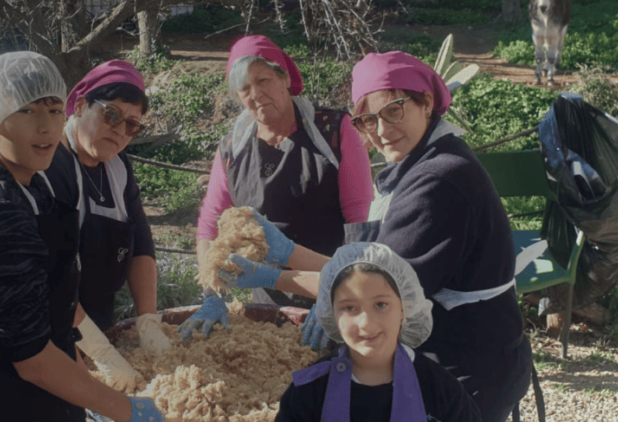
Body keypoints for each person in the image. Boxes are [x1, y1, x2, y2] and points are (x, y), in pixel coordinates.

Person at [220, 51, 532, 422]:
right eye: (368, 120)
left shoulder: (438, 180)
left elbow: (369, 290)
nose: (381, 131)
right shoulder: (418, 163)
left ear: (426, 103)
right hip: (460, 349)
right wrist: (288, 251)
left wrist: (275, 273)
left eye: (394, 110)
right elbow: (371, 269)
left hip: (466, 361)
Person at [0, 52, 162, 421]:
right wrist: (125, 409)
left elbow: (47, 293)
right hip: (5, 402)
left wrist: (96, 359)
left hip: (51, 387)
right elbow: (32, 359)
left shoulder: (26, 182)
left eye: (54, 110)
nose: (46, 128)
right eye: (27, 111)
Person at [179, 35, 373, 343]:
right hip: (264, 300)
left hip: (334, 288)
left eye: (263, 80)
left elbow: (360, 222)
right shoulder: (232, 149)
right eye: (244, 88)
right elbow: (209, 225)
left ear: (284, 77)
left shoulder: (334, 131)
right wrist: (212, 292)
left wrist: (338, 298)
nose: (255, 94)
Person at [43, 60, 171, 392]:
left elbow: (141, 241)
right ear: (81, 104)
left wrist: (148, 320)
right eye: (110, 115)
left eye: (132, 125)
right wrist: (100, 352)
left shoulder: (118, 167)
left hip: (97, 319)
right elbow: (52, 279)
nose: (119, 130)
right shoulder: (50, 166)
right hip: (52, 331)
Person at [275, 242, 481, 422]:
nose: (366, 323)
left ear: (403, 309)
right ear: (331, 314)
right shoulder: (309, 391)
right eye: (349, 308)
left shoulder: (440, 391)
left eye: (381, 305)